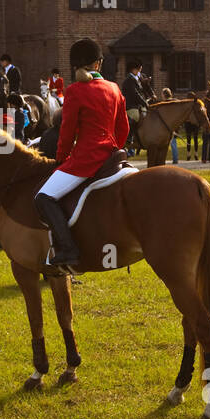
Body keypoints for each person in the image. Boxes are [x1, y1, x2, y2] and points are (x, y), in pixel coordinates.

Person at [34, 38, 129, 269]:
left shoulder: (75, 91)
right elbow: (123, 128)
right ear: (98, 64)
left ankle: (68, 249)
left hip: (86, 159)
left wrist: (61, 158)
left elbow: (66, 132)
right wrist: (115, 147)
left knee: (43, 198)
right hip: (112, 156)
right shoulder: (114, 88)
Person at [122, 60, 147, 155]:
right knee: (136, 116)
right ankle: (129, 138)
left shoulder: (137, 78)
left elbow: (142, 91)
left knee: (147, 113)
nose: (140, 71)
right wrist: (144, 102)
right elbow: (135, 94)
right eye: (139, 69)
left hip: (137, 105)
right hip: (130, 106)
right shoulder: (129, 80)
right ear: (133, 69)